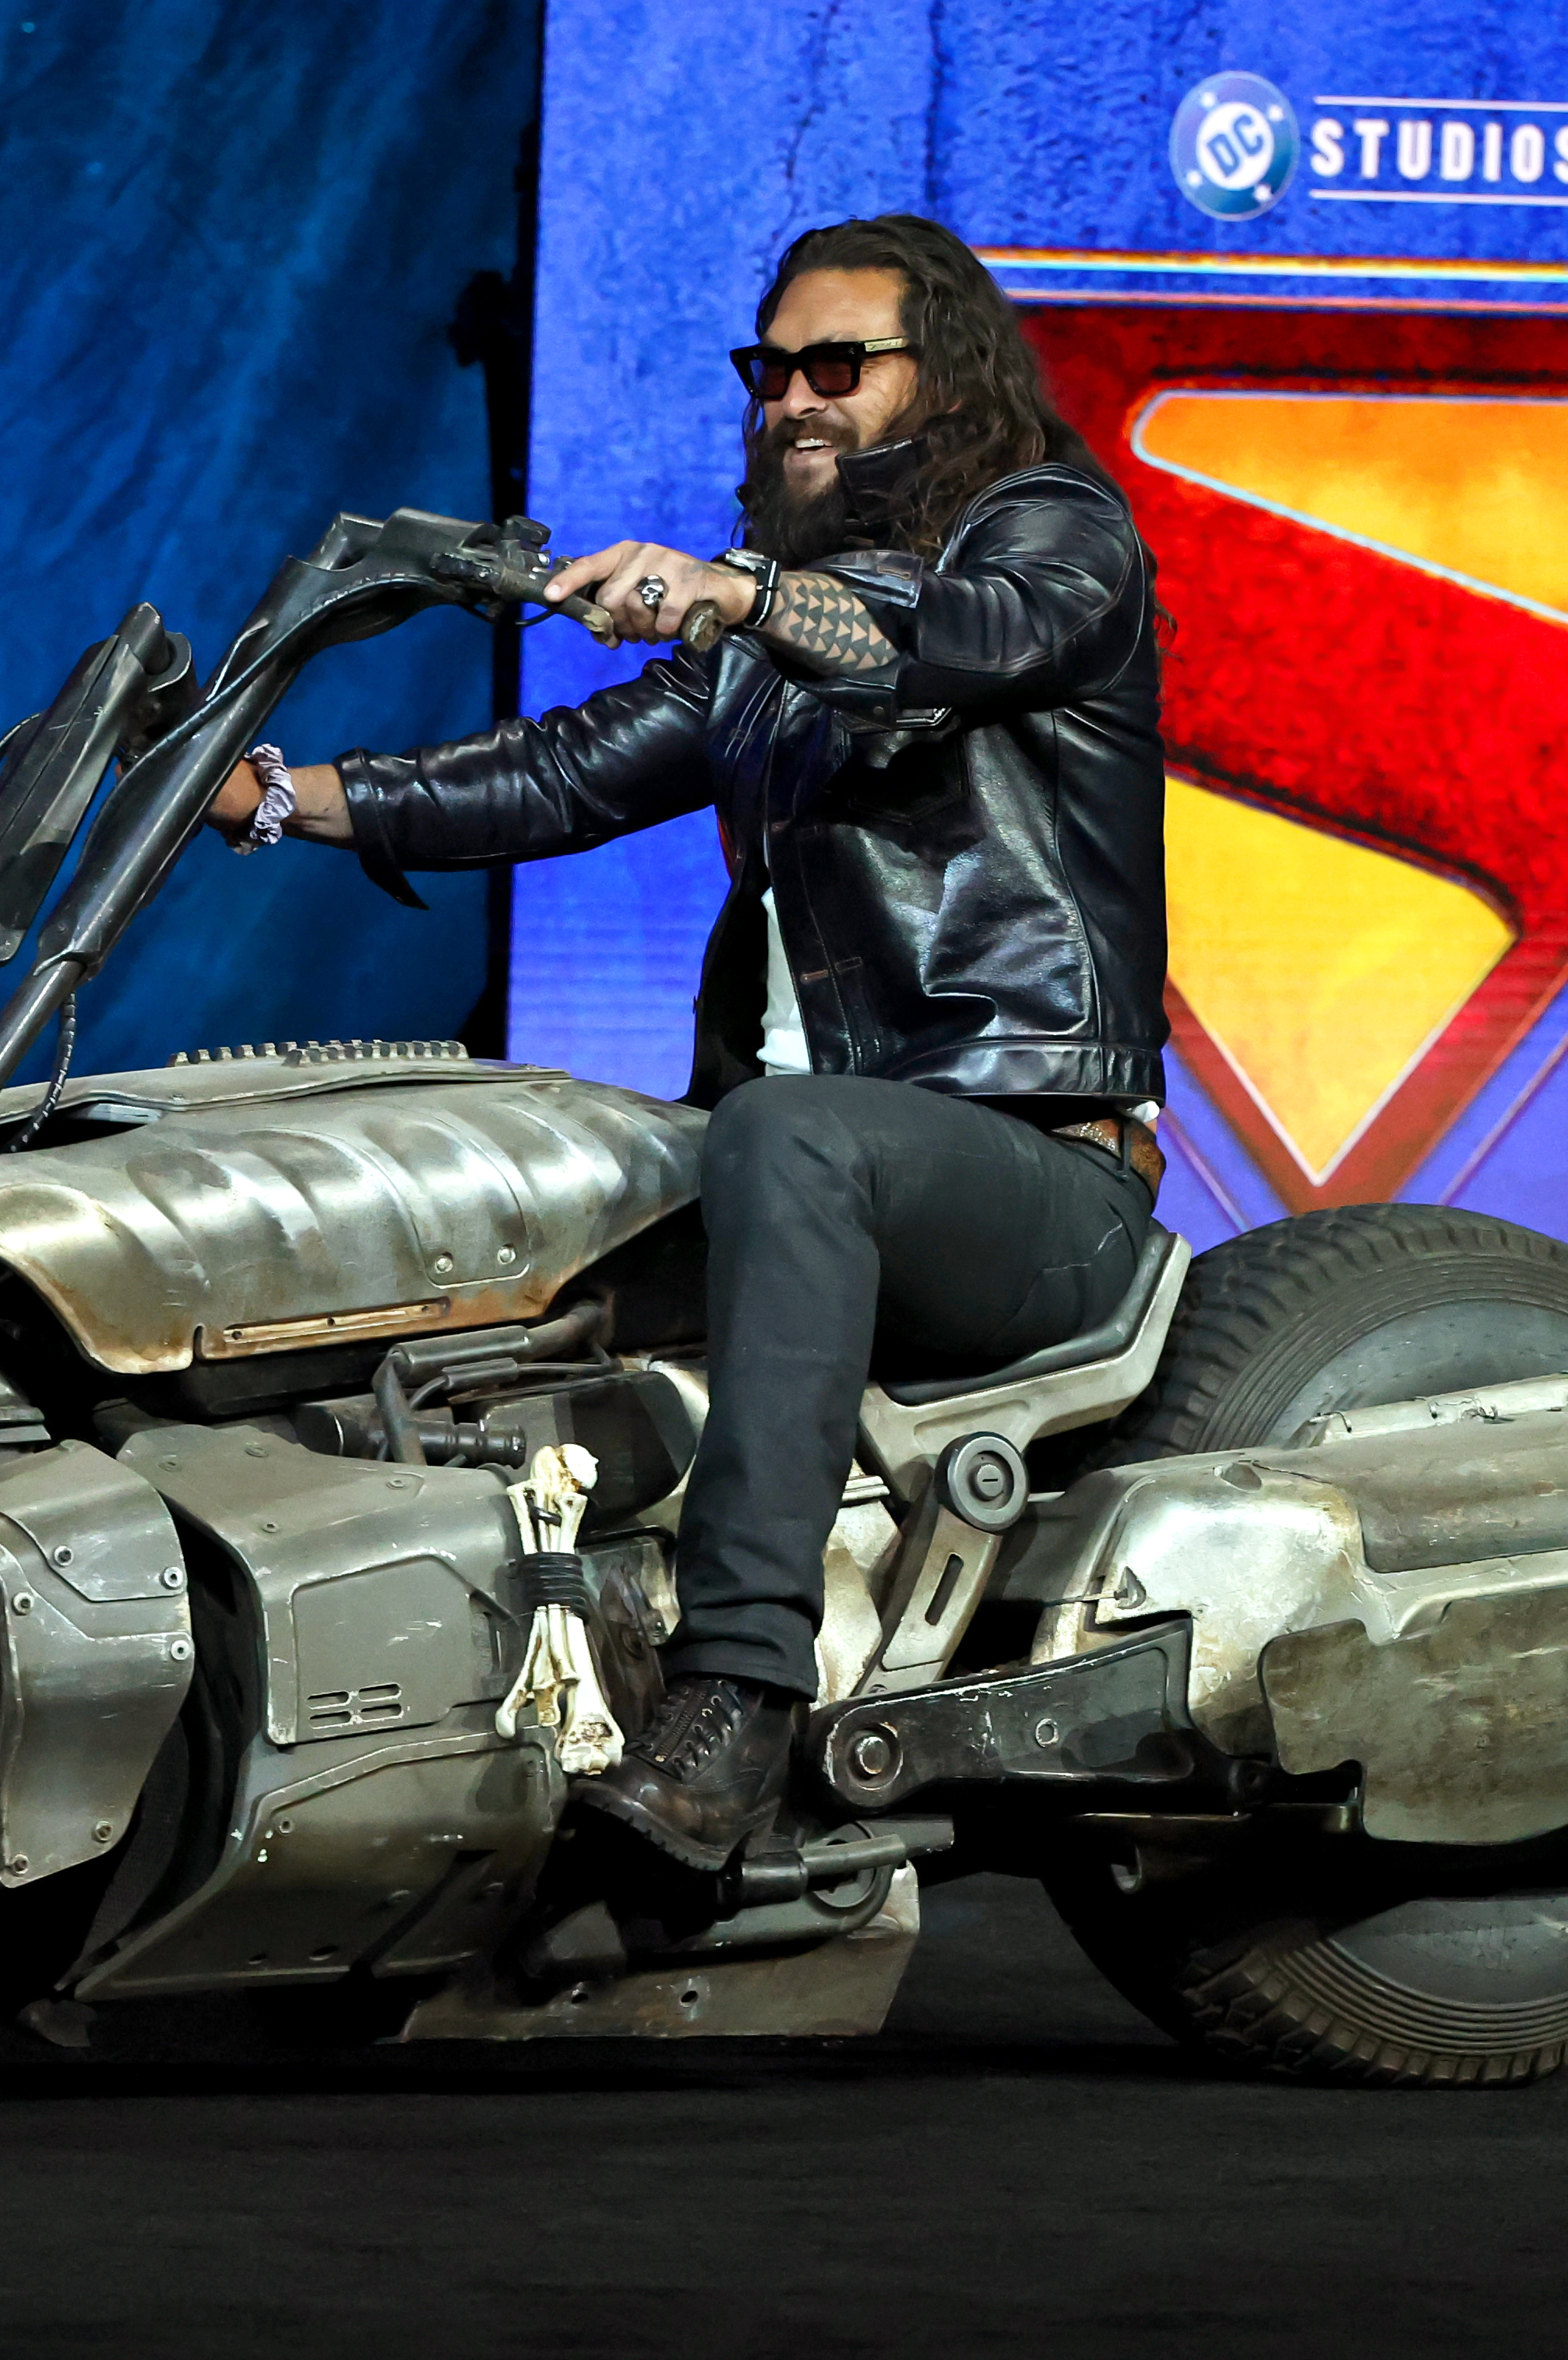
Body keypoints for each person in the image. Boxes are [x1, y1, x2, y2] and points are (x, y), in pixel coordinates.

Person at [205, 213, 1167, 1870]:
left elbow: (943, 641)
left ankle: (735, 1702)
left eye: (836, 367)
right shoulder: (762, 660)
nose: (791, 400)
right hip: (821, 1173)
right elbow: (560, 772)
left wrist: (736, 590)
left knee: (792, 1127)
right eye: (769, 369)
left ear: (947, 378)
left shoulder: (1053, 539)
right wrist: (273, 796)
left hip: (1030, 1181)